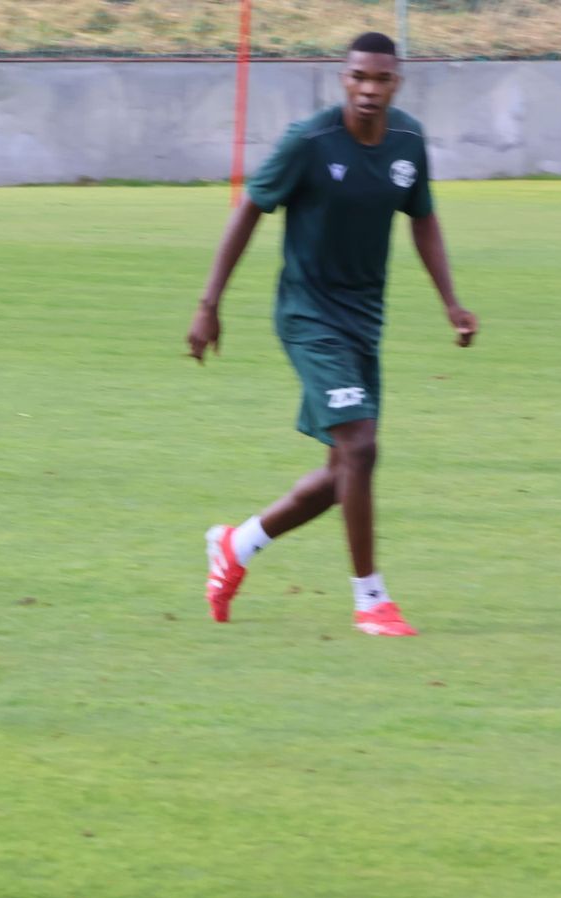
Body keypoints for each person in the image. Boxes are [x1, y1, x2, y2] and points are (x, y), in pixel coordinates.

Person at [186, 31, 478, 637]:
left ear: (396, 83)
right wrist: (209, 304)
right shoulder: (310, 141)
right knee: (362, 449)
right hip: (308, 316)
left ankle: (238, 545)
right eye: (358, 78)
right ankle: (371, 600)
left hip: (364, 320)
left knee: (345, 469)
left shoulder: (408, 141)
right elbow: (249, 208)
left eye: (381, 79)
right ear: (342, 79)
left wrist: (451, 302)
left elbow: (423, 218)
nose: (369, 90)